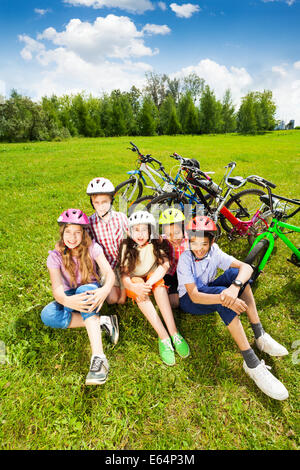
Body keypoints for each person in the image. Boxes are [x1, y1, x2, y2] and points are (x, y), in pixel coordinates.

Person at [177, 215, 289, 401]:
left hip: (208, 288)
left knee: (235, 274)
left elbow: (247, 267)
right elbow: (194, 295)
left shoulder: (215, 252)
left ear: (212, 242)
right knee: (223, 295)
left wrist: (235, 286)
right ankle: (251, 363)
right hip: (190, 301)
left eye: (203, 244)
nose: (198, 249)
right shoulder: (185, 259)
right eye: (194, 243)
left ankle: (259, 334)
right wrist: (225, 298)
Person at [41, 209, 116, 386]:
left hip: (89, 294)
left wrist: (104, 291)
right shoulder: (55, 256)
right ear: (62, 233)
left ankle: (99, 358)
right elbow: (57, 289)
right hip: (69, 298)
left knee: (85, 291)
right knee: (47, 314)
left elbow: (109, 274)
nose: (72, 237)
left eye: (77, 232)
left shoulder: (93, 248)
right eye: (68, 232)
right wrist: (66, 300)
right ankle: (103, 321)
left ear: (83, 234)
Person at [118, 210, 190, 366]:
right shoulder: (126, 246)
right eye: (136, 230)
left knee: (158, 284)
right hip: (134, 278)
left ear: (150, 230)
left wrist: (151, 283)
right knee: (139, 289)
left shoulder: (155, 243)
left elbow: (164, 265)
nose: (140, 234)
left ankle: (174, 332)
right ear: (130, 231)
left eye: (144, 229)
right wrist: (132, 286)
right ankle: (163, 336)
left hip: (151, 274)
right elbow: (124, 274)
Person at [86, 177, 128, 305]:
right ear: (92, 202)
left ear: (111, 200)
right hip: (107, 266)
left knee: (123, 298)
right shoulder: (90, 223)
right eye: (96, 202)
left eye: (104, 202)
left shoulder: (121, 217)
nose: (100, 206)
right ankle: (118, 286)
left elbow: (131, 240)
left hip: (124, 263)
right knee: (112, 299)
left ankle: (125, 287)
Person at [159, 208, 189, 308]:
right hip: (171, 274)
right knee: (174, 303)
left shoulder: (190, 240)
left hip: (186, 273)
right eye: (168, 234)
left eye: (176, 233)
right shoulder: (163, 240)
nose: (173, 238)